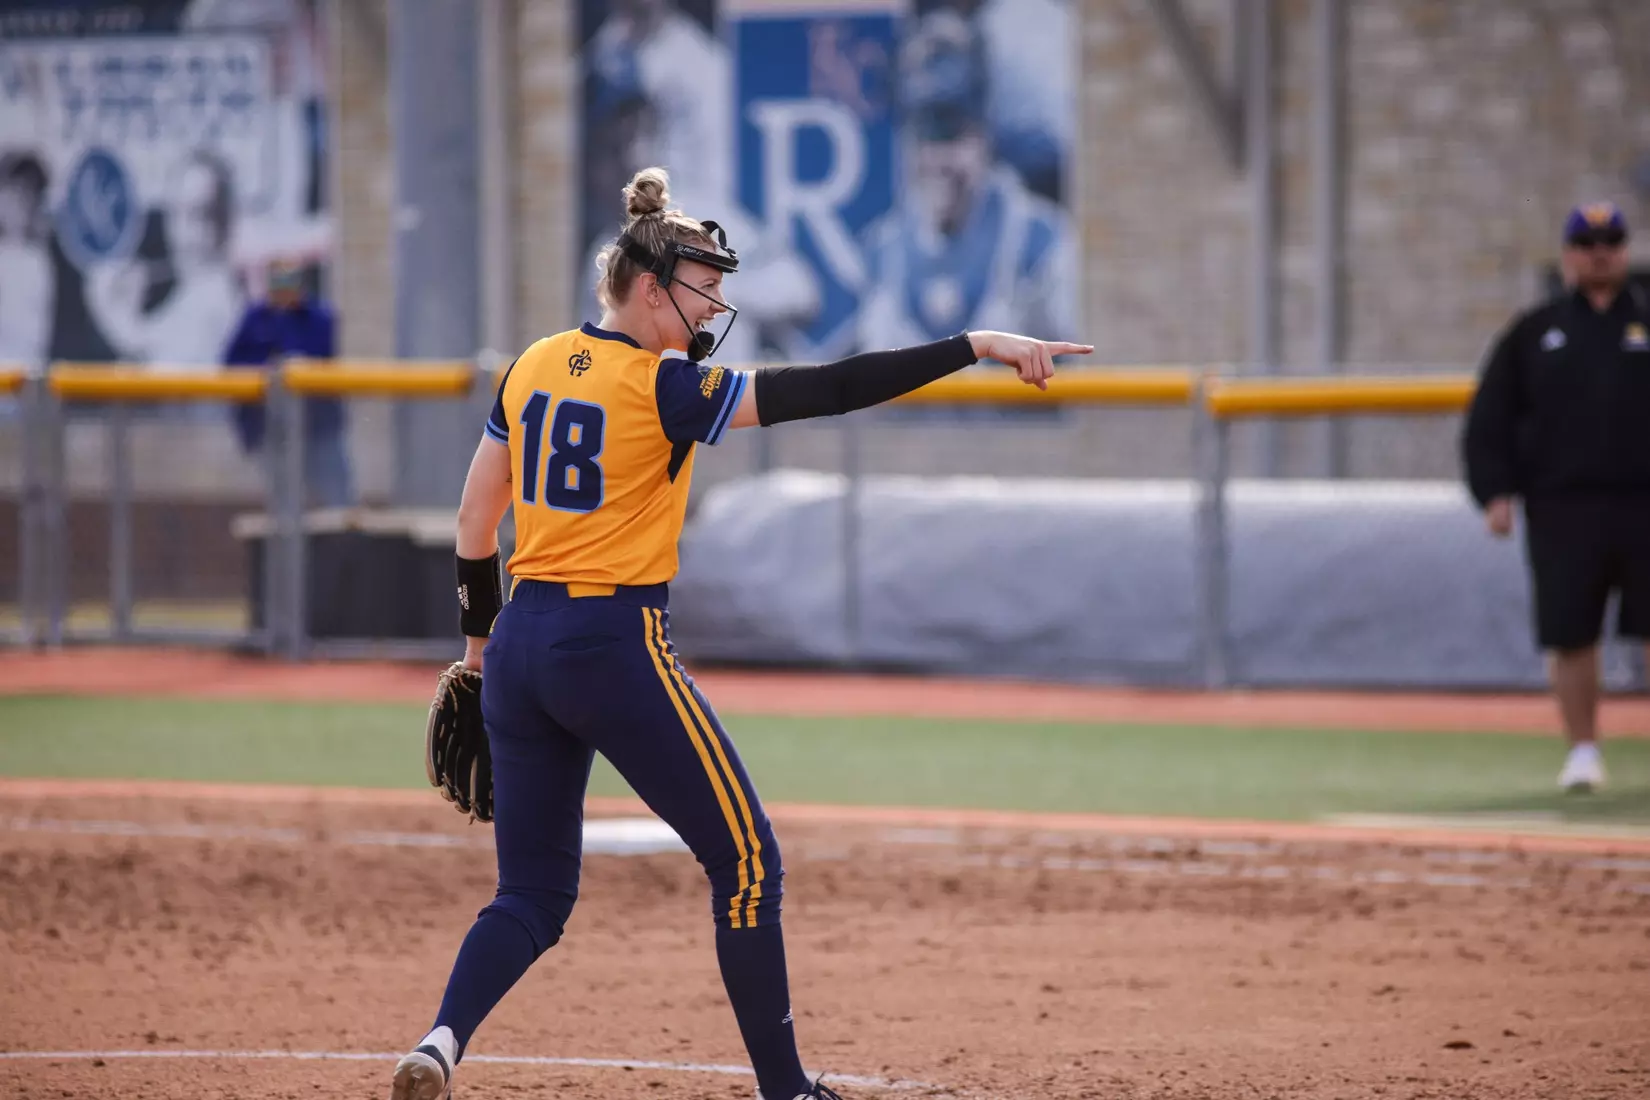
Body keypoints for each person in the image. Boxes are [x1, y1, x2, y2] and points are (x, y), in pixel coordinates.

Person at [387, 166, 1089, 1100]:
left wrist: (477, 655)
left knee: (532, 895)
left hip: (518, 645)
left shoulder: (535, 362)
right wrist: (973, 344)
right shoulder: (665, 387)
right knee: (748, 861)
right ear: (648, 288)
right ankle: (787, 1090)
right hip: (611, 642)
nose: (717, 300)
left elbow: (477, 521)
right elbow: (828, 389)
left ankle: (440, 1042)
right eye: (703, 283)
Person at [1462, 200, 1650, 793]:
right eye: (1588, 243)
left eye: (1612, 242)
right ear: (1569, 254)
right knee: (1571, 632)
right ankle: (1583, 751)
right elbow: (1490, 416)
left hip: (1645, 502)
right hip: (1564, 507)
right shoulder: (1535, 331)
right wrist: (1494, 491)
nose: (1600, 253)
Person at [223, 257, 354, 508]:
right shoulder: (256, 318)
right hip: (270, 426)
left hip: (318, 426)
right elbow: (231, 364)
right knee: (284, 499)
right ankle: (290, 541)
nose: (283, 289)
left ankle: (344, 538)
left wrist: (294, 363)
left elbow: (323, 360)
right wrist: (268, 368)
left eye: (289, 282)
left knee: (338, 495)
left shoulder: (318, 317)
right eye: (278, 282)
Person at [0, 150, 55, 371]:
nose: (24, 201)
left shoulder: (41, 262)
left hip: (27, 387)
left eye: (32, 192)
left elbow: (40, 339)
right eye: (15, 191)